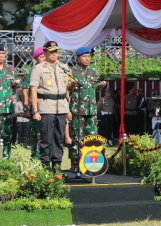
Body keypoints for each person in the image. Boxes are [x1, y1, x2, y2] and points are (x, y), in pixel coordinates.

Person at [30, 41, 72, 170]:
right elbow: (33, 90)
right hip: (46, 107)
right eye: (52, 51)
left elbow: (67, 90)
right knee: (46, 138)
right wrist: (35, 111)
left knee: (59, 138)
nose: (54, 54)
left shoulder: (64, 67)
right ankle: (45, 165)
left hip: (62, 106)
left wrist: (68, 109)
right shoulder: (39, 68)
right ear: (46, 53)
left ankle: (57, 164)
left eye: (56, 52)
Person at [68, 46, 106, 174]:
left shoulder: (93, 72)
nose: (87, 59)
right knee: (78, 136)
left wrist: (100, 86)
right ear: (78, 58)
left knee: (92, 135)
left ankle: (90, 163)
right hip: (77, 109)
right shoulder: (72, 71)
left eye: (88, 56)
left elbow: (95, 89)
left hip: (92, 110)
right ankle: (75, 163)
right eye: (84, 57)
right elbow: (68, 90)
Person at [22, 47, 46, 158]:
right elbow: (25, 90)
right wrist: (26, 108)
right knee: (35, 132)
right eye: (41, 56)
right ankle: (35, 155)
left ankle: (45, 155)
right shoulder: (31, 71)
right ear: (36, 59)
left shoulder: (50, 70)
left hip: (48, 106)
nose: (44, 58)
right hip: (35, 107)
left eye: (45, 55)